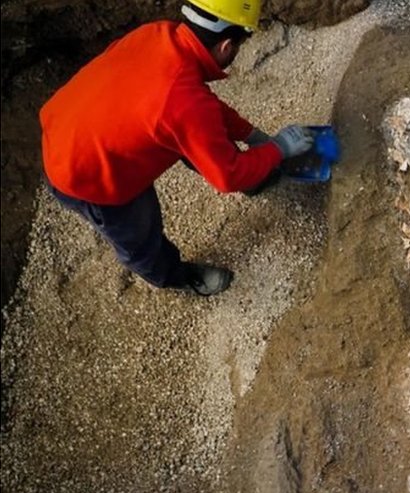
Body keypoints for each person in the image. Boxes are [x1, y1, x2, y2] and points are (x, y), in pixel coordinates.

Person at [39, 0, 314, 297]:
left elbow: (199, 111)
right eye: (239, 45)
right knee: (139, 233)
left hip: (70, 125)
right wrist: (278, 149)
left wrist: (252, 135)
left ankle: (256, 175)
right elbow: (228, 176)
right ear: (225, 46)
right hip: (85, 173)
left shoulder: (157, 35)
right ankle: (173, 276)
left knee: (197, 137)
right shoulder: (184, 102)